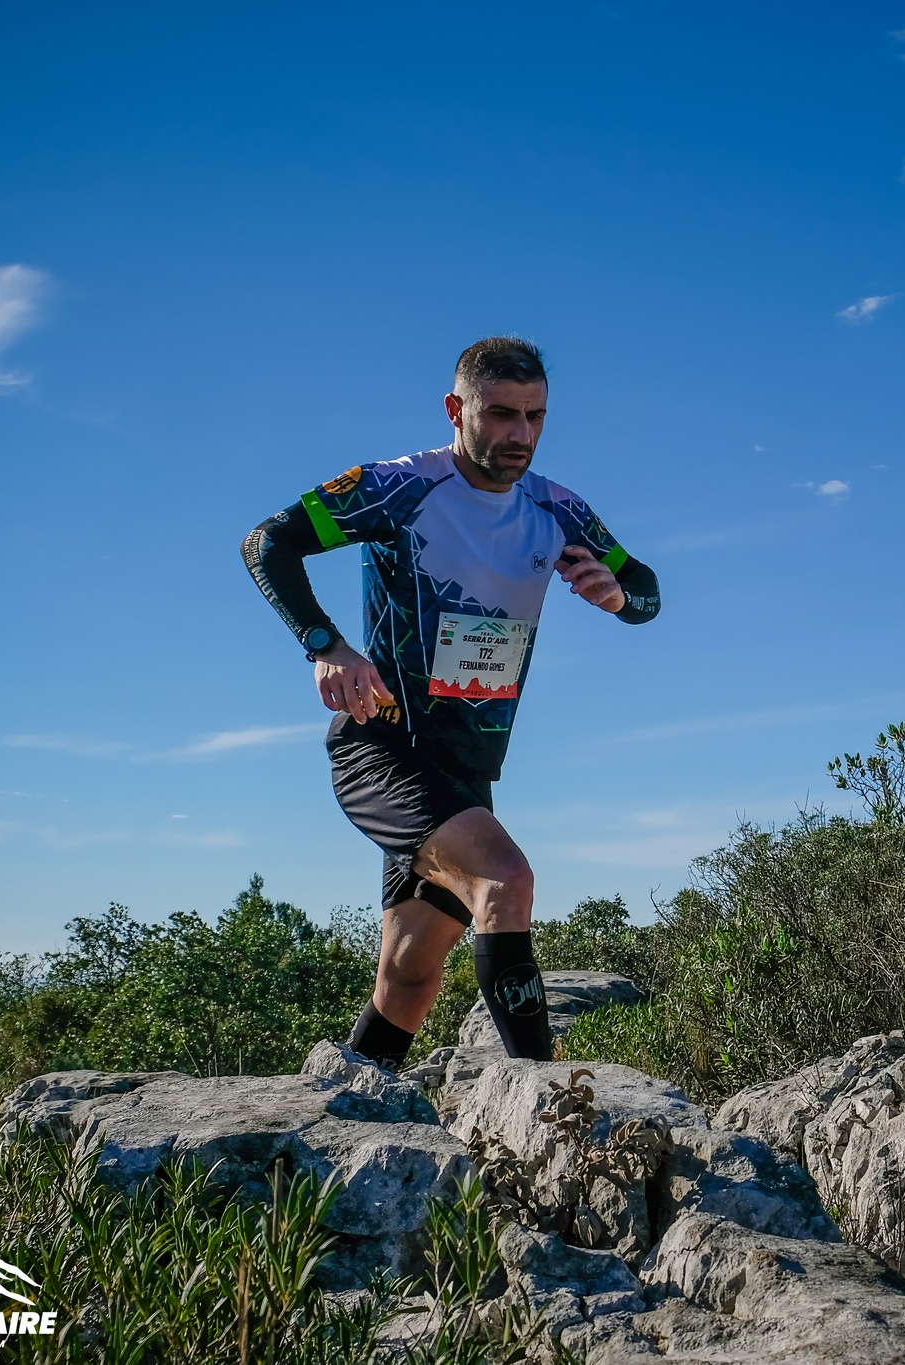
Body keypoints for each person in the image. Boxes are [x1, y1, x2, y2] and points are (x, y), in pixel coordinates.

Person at [240, 336, 660, 1070]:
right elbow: (268, 542)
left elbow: (648, 590)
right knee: (507, 876)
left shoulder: (556, 509)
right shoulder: (398, 487)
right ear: (454, 409)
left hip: (466, 773)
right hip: (383, 750)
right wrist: (325, 645)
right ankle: (546, 1097)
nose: (520, 435)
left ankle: (351, 1106)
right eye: (500, 414)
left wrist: (619, 594)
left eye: (535, 416)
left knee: (409, 978)